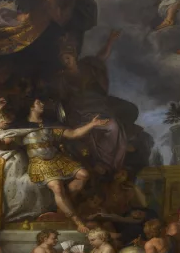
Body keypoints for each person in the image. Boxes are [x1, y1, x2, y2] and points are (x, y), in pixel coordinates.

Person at [12, 98, 108, 233]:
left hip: (57, 159)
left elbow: (73, 134)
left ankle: (62, 207)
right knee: (57, 187)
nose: (42, 104)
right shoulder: (22, 126)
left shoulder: (49, 124)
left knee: (84, 175)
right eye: (39, 102)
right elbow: (6, 141)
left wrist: (92, 124)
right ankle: (77, 221)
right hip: (39, 162)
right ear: (31, 107)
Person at [56, 30, 129, 174]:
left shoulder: (87, 65)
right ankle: (102, 163)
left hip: (99, 107)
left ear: (74, 56)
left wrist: (110, 41)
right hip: (79, 111)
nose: (66, 61)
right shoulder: (62, 78)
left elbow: (101, 57)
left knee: (114, 127)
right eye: (63, 59)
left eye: (68, 57)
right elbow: (62, 99)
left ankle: (108, 164)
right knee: (98, 131)